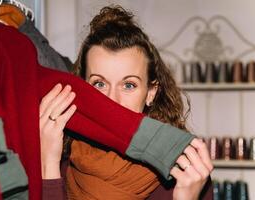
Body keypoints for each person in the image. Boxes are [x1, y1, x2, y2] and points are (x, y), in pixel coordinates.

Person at [40, 5, 213, 200]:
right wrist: (49, 169)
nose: (112, 100)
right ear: (83, 88)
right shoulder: (57, 158)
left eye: (129, 85)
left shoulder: (183, 173)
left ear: (150, 93)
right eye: (99, 84)